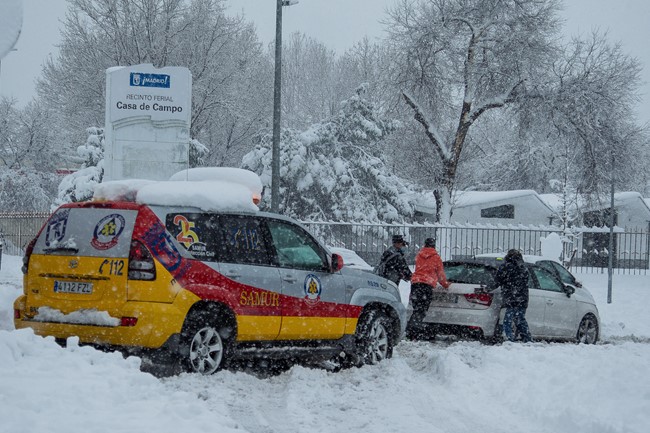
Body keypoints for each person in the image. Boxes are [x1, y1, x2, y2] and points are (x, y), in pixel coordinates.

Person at [406, 238, 450, 340]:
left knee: (417, 308)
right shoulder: (436, 258)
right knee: (421, 310)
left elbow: (419, 269)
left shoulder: (419, 255)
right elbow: (440, 275)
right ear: (434, 246)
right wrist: (446, 284)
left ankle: (412, 329)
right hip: (426, 285)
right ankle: (413, 331)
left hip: (416, 283)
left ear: (425, 245)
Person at [487, 249, 532, 343]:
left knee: (507, 320)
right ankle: (527, 339)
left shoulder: (505, 267)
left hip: (510, 298)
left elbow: (497, 281)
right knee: (520, 320)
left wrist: (486, 289)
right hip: (522, 298)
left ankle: (509, 338)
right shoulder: (524, 267)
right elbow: (525, 282)